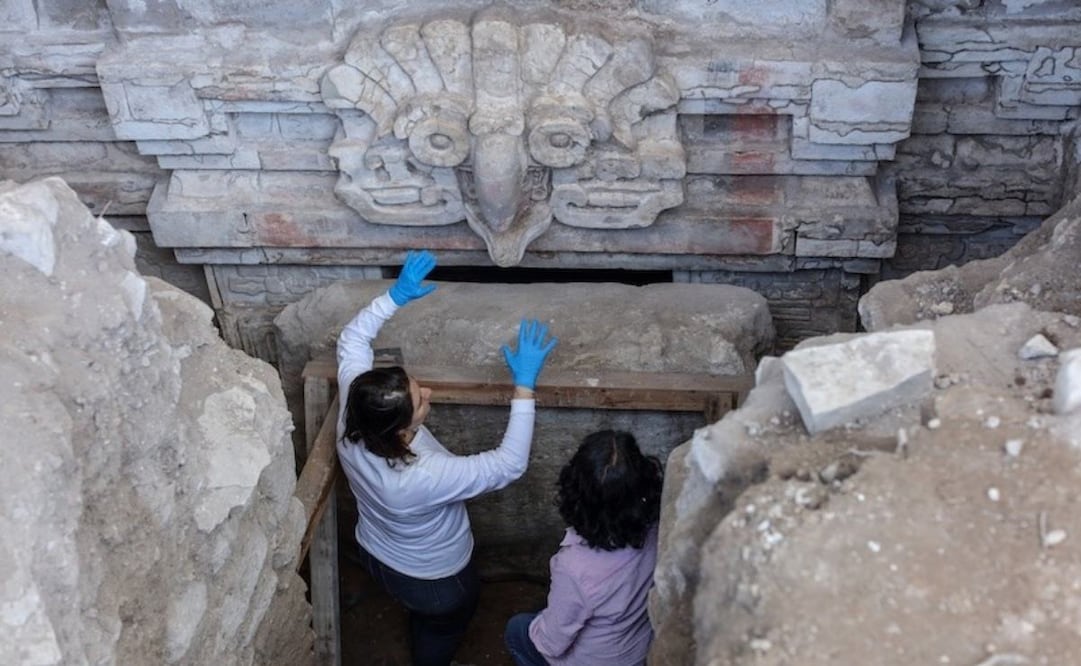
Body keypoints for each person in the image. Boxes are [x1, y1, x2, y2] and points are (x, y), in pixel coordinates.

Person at [336, 250, 558, 666]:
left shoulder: (355, 411)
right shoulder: (419, 476)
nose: (428, 394)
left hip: (374, 549)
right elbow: (508, 464)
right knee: (445, 622)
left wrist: (394, 297)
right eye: (419, 401)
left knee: (423, 612)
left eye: (415, 385)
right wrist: (524, 387)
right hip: (433, 578)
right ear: (401, 431)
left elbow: (351, 340)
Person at [504, 430, 663, 666]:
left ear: (577, 492)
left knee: (517, 629)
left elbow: (550, 644)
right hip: (638, 650)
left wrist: (541, 623)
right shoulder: (658, 523)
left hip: (594, 660)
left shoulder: (573, 567)